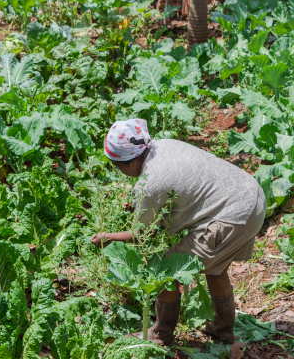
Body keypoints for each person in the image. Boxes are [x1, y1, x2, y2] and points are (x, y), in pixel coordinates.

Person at [91, 119, 266, 346]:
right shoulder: (162, 145)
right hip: (250, 197)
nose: (119, 171)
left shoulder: (150, 185)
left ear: (129, 162)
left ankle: (161, 334)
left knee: (168, 270)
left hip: (232, 217)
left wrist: (108, 238)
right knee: (216, 268)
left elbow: (143, 234)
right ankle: (223, 331)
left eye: (117, 166)